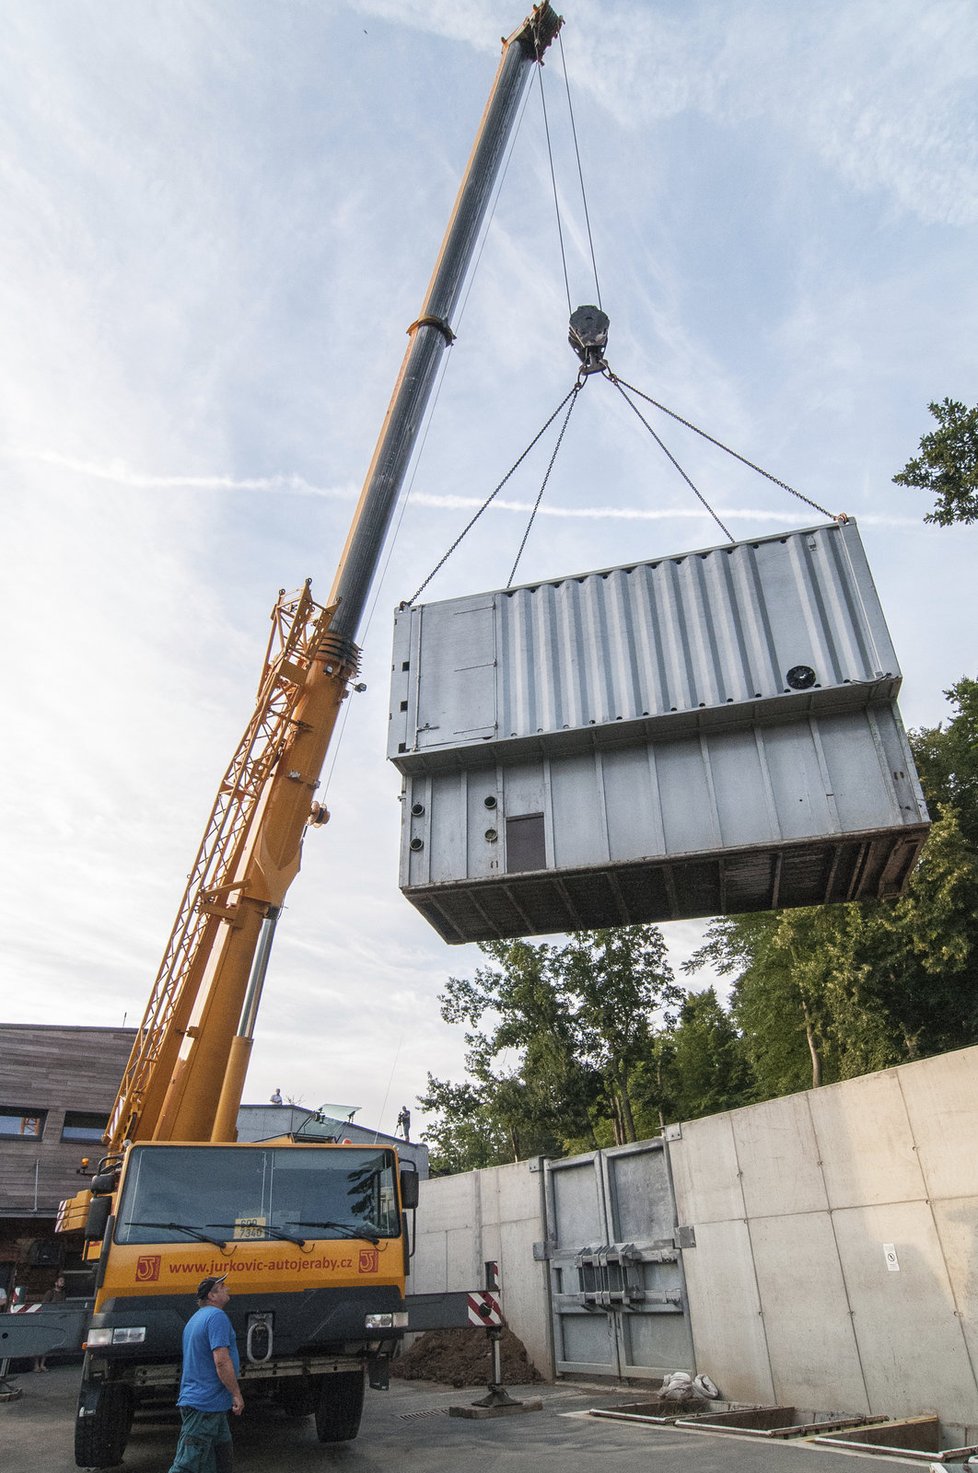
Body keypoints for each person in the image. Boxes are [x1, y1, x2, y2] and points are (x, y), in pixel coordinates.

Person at [168, 1274, 243, 1473]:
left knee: (220, 1463)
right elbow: (221, 1360)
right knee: (186, 1465)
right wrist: (236, 1393)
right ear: (212, 1295)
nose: (227, 1289)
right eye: (223, 1286)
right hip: (204, 1405)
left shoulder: (197, 1318)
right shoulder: (217, 1317)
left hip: (211, 1405)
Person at [35, 1274, 66, 1370]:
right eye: (60, 1281)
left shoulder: (63, 1294)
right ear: (56, 1283)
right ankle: (36, 1365)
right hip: (47, 1319)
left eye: (63, 1281)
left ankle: (43, 1364)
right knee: (41, 1342)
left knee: (49, 1343)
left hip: (56, 1320)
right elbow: (44, 1305)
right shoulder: (50, 1293)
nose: (62, 1283)